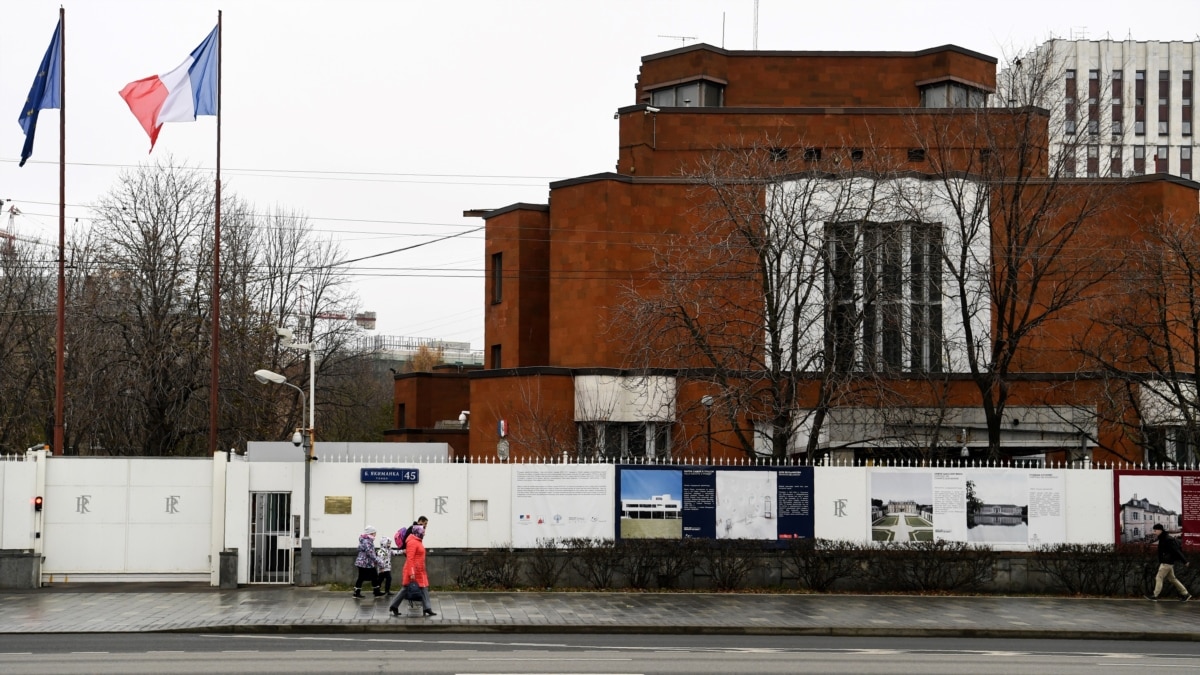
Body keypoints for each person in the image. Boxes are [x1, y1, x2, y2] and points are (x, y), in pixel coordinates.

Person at [390, 524, 436, 617]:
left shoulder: (417, 541)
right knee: (406, 589)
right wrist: (411, 572)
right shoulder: (412, 542)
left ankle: (427, 608)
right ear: (417, 532)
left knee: (423, 588)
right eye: (423, 532)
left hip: (419, 570)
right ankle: (394, 606)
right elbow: (410, 558)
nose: (424, 534)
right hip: (413, 571)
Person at [1146, 523, 1192, 601]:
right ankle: (1185, 594)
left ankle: (1155, 595)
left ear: (1160, 530)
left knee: (1159, 577)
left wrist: (1185, 561)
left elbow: (1176, 550)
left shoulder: (1167, 539)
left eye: (1155, 530)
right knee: (1172, 579)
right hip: (1167, 562)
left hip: (1166, 562)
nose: (1154, 532)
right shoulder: (1163, 538)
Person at [352, 525, 383, 599]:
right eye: (374, 533)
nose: (375, 534)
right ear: (371, 533)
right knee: (362, 577)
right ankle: (357, 593)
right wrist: (378, 561)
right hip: (364, 563)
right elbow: (370, 553)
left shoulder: (367, 540)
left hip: (366, 562)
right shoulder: (367, 541)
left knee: (374, 576)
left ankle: (376, 592)